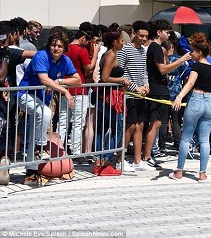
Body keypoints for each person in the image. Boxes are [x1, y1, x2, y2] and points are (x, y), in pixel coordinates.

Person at [18, 31, 81, 185]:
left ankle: (31, 171)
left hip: (42, 99)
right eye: (53, 45)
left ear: (65, 48)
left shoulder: (65, 60)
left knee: (37, 127)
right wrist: (65, 90)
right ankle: (40, 147)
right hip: (25, 94)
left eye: (60, 46)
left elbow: (77, 80)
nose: (56, 48)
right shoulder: (41, 55)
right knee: (45, 113)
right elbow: (44, 79)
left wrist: (59, 82)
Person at [169, 33, 211, 182]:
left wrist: (179, 96)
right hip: (208, 102)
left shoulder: (196, 66)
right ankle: (202, 173)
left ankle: (179, 171)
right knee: (204, 140)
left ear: (199, 52)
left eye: (192, 51)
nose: (190, 53)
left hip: (196, 100)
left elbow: (190, 83)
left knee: (186, 138)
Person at [144, 20, 190, 169]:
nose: (169, 34)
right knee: (155, 123)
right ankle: (147, 156)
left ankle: (149, 154)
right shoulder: (155, 47)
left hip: (163, 89)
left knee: (158, 123)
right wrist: (182, 59)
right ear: (159, 32)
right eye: (166, 31)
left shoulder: (158, 48)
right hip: (156, 89)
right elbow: (162, 69)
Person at [57, 23, 99, 155]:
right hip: (79, 90)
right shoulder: (81, 50)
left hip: (65, 88)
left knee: (62, 121)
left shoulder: (65, 49)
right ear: (83, 39)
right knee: (77, 123)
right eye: (87, 42)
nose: (87, 45)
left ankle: (58, 149)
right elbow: (89, 69)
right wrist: (96, 54)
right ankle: (75, 151)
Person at [93, 24, 130, 176]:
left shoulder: (107, 53)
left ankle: (98, 162)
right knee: (118, 130)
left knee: (102, 130)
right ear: (115, 41)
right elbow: (105, 78)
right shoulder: (111, 55)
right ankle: (104, 161)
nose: (123, 43)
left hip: (104, 96)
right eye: (121, 40)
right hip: (108, 97)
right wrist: (122, 80)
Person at [117, 21, 152, 171]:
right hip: (128, 94)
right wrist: (133, 87)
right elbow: (121, 73)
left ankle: (138, 161)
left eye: (146, 36)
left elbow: (144, 71)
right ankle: (120, 160)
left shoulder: (143, 51)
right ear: (134, 33)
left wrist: (146, 85)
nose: (143, 39)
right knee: (129, 127)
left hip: (140, 95)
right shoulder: (124, 50)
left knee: (140, 125)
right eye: (141, 35)